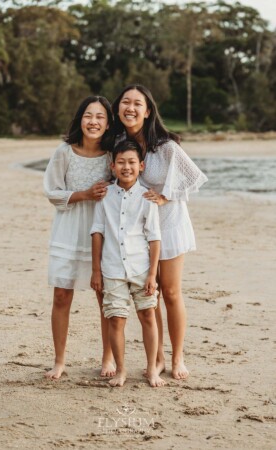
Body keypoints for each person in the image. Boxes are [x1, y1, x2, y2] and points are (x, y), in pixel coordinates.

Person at [112, 85, 208, 380]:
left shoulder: (165, 146)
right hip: (140, 231)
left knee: (170, 292)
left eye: (137, 103)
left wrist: (166, 195)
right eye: (125, 102)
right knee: (149, 293)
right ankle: (159, 358)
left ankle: (178, 358)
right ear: (118, 109)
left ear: (147, 110)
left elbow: (194, 177)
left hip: (169, 225)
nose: (130, 107)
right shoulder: (118, 143)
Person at [44, 96, 116, 379]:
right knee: (61, 295)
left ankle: (108, 358)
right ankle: (59, 361)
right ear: (80, 119)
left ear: (108, 123)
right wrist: (85, 194)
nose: (94, 121)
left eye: (100, 117)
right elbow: (51, 191)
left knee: (104, 297)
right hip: (68, 229)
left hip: (101, 232)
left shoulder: (112, 154)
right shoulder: (64, 152)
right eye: (88, 115)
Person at [90, 140, 165, 387]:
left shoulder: (147, 198)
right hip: (112, 269)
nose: (126, 167)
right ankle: (121, 370)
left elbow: (154, 238)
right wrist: (96, 271)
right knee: (116, 319)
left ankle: (152, 369)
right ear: (112, 166)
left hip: (141, 269)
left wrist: (153, 275)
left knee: (147, 316)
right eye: (121, 162)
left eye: (132, 162)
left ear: (141, 166)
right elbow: (98, 232)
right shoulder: (105, 195)